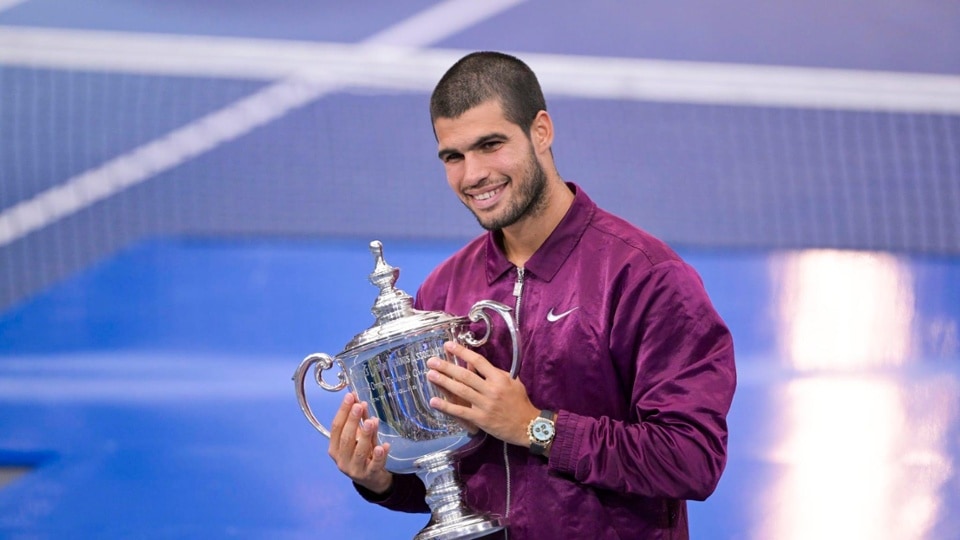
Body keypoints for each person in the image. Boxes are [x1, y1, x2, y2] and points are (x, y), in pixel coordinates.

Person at [328, 51, 736, 539]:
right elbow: (460, 477)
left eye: (491, 145)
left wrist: (535, 427)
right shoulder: (442, 291)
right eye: (453, 157)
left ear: (540, 131)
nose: (472, 174)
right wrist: (382, 480)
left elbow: (691, 459)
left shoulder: (646, 277)